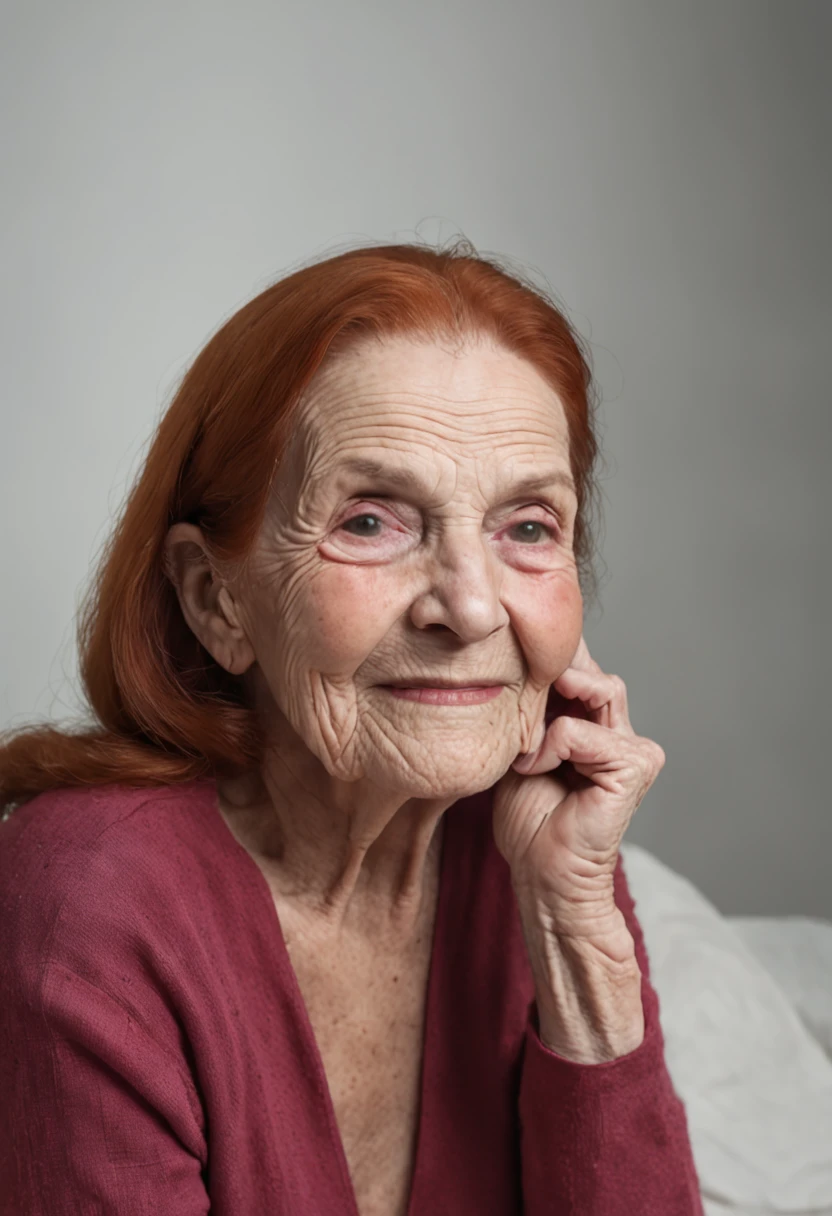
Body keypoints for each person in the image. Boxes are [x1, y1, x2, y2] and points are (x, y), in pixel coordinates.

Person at [0, 239, 705, 1215]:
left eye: (527, 528)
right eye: (371, 520)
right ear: (217, 600)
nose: (467, 607)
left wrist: (573, 927)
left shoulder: (537, 858)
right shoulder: (89, 910)